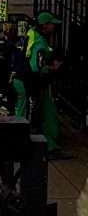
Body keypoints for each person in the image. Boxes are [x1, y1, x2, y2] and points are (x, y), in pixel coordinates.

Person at [13, 11, 72, 158]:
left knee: (46, 111)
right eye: (52, 24)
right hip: (28, 83)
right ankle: (19, 144)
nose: (54, 27)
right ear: (45, 25)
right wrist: (52, 67)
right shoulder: (40, 41)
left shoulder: (32, 33)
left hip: (28, 81)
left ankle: (49, 145)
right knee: (24, 115)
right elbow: (35, 67)